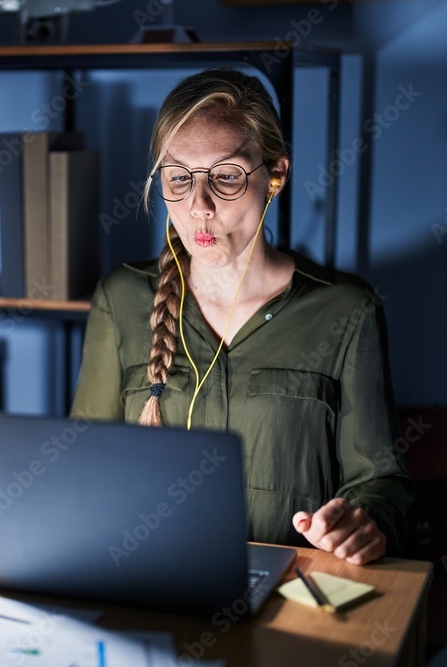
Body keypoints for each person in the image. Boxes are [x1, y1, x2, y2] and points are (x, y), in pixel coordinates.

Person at [69, 67, 413, 565]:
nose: (199, 207)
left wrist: (365, 521)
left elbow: (381, 480)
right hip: (151, 582)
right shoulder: (120, 299)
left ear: (276, 175)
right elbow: (84, 462)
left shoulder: (346, 309)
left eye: (227, 177)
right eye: (179, 178)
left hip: (295, 596)